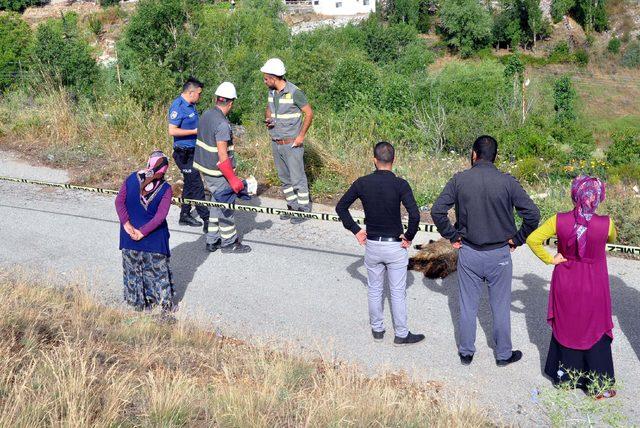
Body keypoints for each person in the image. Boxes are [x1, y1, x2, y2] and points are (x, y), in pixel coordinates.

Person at [431, 135, 540, 366]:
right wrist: (517, 239)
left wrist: (452, 236)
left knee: (467, 304)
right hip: (499, 253)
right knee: (500, 306)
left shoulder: (460, 180)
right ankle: (502, 355)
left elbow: (438, 211)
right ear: (495, 156)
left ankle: (466, 352)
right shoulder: (508, 182)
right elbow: (533, 215)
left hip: (469, 252)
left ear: (473, 154)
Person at [527, 176, 617, 399]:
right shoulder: (607, 223)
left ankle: (565, 379)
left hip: (566, 279)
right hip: (594, 282)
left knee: (567, 325)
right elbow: (611, 238)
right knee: (595, 328)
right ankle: (597, 385)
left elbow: (532, 239)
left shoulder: (558, 220)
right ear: (598, 197)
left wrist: (550, 259)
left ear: (574, 194)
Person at [336, 142, 425, 346]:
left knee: (375, 289)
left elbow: (341, 207)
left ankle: (377, 330)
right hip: (395, 246)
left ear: (374, 160)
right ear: (394, 161)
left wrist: (356, 230)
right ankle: (401, 334)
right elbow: (415, 214)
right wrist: (409, 236)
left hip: (373, 245)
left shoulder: (362, 183)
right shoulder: (401, 184)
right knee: (397, 292)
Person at [193, 82, 251, 254]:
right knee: (226, 206)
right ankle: (229, 242)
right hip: (217, 172)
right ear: (231, 103)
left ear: (217, 99)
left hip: (205, 168)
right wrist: (233, 180)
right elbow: (223, 156)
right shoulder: (222, 124)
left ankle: (212, 240)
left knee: (216, 203)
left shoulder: (206, 114)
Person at [115, 151, 174, 313]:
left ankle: (138, 304)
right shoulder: (166, 189)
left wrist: (126, 224)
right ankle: (161, 304)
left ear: (149, 163)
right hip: (154, 240)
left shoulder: (131, 179)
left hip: (129, 237)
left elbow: (119, 202)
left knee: (133, 272)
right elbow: (160, 217)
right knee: (157, 273)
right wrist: (143, 232)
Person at [261, 58, 314, 223]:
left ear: (274, 77)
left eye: (266, 78)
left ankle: (303, 211)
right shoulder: (271, 92)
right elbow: (269, 109)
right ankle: (292, 207)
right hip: (276, 142)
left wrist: (301, 136)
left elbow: (309, 113)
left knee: (297, 178)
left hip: (292, 143)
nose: (264, 81)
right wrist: (269, 119)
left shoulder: (294, 92)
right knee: (284, 178)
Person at [169, 77, 209, 230]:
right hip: (183, 153)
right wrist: (194, 131)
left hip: (193, 150)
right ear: (191, 92)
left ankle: (184, 215)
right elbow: (172, 130)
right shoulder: (178, 106)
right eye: (199, 93)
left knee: (190, 183)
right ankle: (206, 220)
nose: (200, 96)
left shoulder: (191, 105)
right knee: (197, 184)